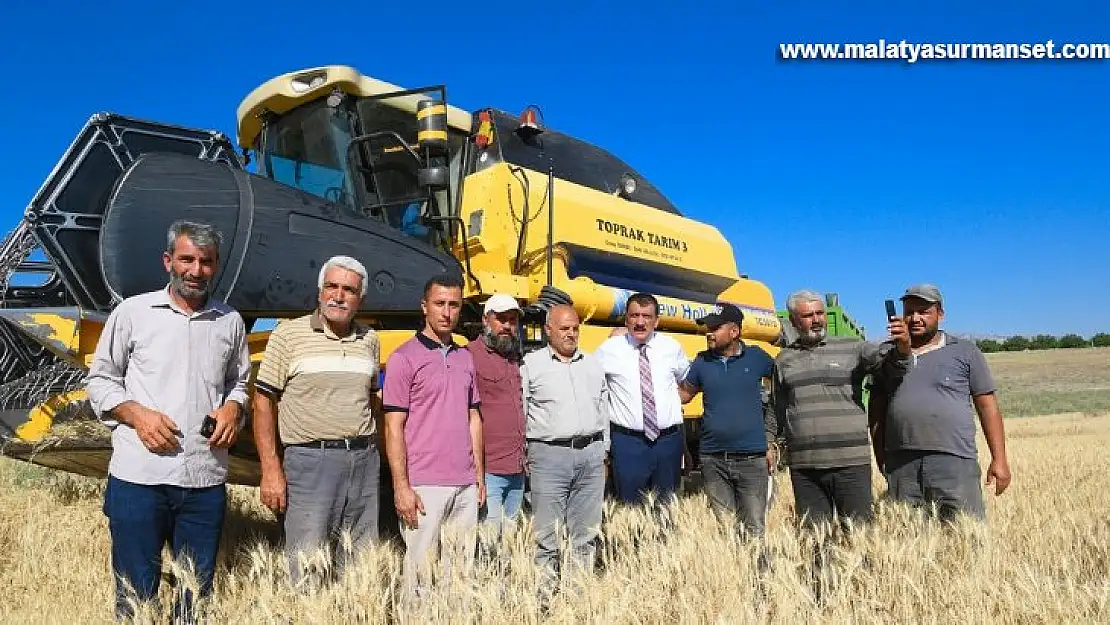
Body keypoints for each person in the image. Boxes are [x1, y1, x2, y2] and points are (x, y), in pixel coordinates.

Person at [85, 220, 251, 623]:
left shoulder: (230, 322)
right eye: (187, 259)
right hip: (140, 478)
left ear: (216, 265)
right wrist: (136, 414)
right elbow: (100, 379)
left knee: (195, 595)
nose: (196, 270)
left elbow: (240, 383)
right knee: (136, 594)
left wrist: (233, 408)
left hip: (204, 480)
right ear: (168, 261)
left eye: (206, 262)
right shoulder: (133, 313)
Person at [252, 255, 383, 589]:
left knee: (359, 567)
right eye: (331, 286)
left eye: (348, 290)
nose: (338, 296)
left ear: (361, 299)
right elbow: (263, 402)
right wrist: (270, 469)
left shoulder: (369, 340)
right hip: (310, 462)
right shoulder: (287, 336)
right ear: (319, 292)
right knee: (308, 564)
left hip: (364, 462)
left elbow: (371, 400)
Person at [869, 284, 1012, 522]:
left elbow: (987, 406)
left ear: (940, 314)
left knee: (964, 537)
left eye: (924, 311)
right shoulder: (886, 355)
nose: (915, 318)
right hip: (902, 465)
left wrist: (1000, 459)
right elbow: (876, 413)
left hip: (954, 460)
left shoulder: (965, 352)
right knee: (907, 539)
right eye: (910, 311)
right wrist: (881, 458)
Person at [382, 274, 485, 598]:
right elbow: (393, 426)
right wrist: (401, 486)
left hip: (465, 484)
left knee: (460, 576)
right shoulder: (404, 358)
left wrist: (478, 475)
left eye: (454, 305)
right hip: (424, 485)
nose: (446, 312)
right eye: (439, 304)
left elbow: (473, 418)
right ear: (424, 306)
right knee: (421, 578)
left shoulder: (465, 357)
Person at [771, 289, 910, 528]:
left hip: (851, 462)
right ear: (793, 321)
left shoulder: (853, 347)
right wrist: (767, 442)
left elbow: (891, 366)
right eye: (808, 316)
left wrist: (903, 348)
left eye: (819, 313)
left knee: (859, 534)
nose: (816, 320)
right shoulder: (783, 360)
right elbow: (776, 408)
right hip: (805, 467)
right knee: (815, 538)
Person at [521, 304, 608, 600]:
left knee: (586, 533)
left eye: (575, 328)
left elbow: (603, 408)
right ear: (548, 330)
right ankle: (545, 600)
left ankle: (577, 597)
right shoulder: (530, 365)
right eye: (564, 328)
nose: (571, 334)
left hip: (591, 455)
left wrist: (604, 450)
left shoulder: (592, 364)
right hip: (549, 457)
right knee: (548, 535)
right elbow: (522, 412)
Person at [678, 303, 776, 541]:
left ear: (734, 332)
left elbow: (782, 389)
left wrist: (771, 438)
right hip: (713, 459)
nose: (708, 333)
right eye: (707, 328)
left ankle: (757, 577)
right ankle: (731, 574)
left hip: (752, 457)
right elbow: (683, 394)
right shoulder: (701, 362)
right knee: (725, 529)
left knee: (754, 528)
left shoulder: (757, 358)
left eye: (715, 327)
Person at [595, 292, 690, 509]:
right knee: (630, 508)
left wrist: (672, 407)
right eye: (634, 315)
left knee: (667, 507)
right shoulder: (609, 350)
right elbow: (592, 389)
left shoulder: (671, 348)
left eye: (646, 316)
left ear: (656, 320)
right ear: (626, 319)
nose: (640, 322)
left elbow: (687, 383)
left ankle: (666, 544)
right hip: (628, 444)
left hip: (668, 442)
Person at [466, 294, 526, 536]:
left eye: (512, 321)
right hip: (490, 470)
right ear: (485, 320)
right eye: (500, 319)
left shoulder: (513, 358)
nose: (507, 326)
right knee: (489, 542)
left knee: (511, 541)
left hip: (518, 468)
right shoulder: (469, 355)